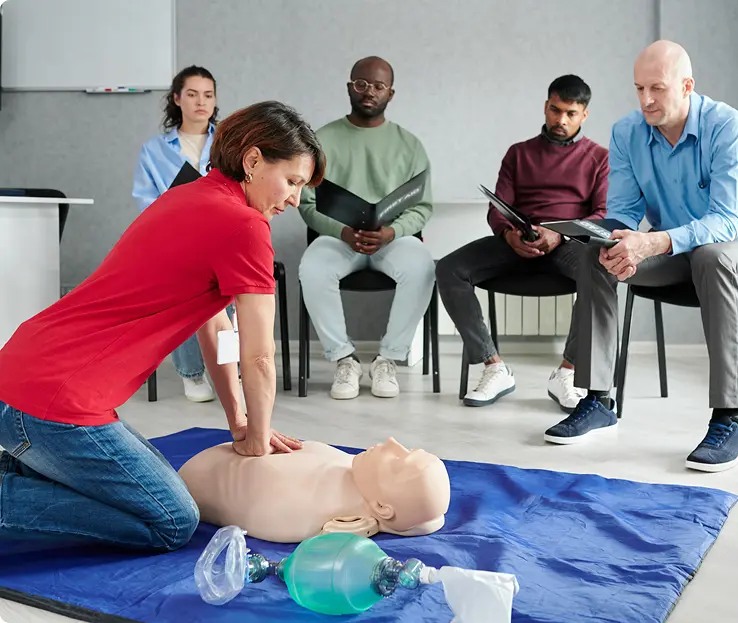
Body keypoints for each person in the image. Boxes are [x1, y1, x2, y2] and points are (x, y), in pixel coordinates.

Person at [0, 101, 326, 551]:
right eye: (292, 181)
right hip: (55, 403)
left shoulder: (186, 195)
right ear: (253, 160)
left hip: (20, 375)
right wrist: (256, 440)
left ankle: (19, 469)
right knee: (172, 520)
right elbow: (259, 356)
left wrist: (241, 422)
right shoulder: (246, 226)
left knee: (145, 494)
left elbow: (215, 328)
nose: (294, 200)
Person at [544, 41, 738, 473]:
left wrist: (651, 243)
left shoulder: (727, 125)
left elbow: (725, 220)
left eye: (657, 88)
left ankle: (730, 421)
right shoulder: (627, 132)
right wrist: (611, 238)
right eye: (639, 89)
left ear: (687, 86)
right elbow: (623, 212)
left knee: (711, 257)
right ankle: (598, 400)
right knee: (595, 254)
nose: (646, 99)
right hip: (674, 247)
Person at [436, 75, 609, 410]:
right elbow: (497, 207)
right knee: (449, 268)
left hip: (568, 243)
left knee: (601, 272)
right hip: (518, 240)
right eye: (555, 110)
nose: (561, 120)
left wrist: (560, 234)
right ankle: (493, 366)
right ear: (545, 106)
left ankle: (568, 372)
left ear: (584, 115)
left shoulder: (599, 158)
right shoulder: (518, 153)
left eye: (571, 113)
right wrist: (508, 234)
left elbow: (601, 214)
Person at [298, 56, 435, 400]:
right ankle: (344, 359)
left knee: (422, 266)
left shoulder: (410, 145)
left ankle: (388, 359)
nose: (369, 92)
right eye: (361, 84)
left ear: (391, 93)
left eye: (378, 86)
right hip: (339, 237)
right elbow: (306, 204)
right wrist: (342, 231)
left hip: (392, 239)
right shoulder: (321, 140)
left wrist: (392, 232)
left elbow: (422, 207)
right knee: (312, 267)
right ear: (350, 87)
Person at [132, 65, 221, 403]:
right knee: (181, 281)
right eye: (193, 94)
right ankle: (192, 373)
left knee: (231, 280)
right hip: (174, 241)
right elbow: (146, 203)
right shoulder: (154, 150)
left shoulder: (231, 143)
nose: (201, 102)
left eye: (208, 95)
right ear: (177, 99)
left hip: (222, 237)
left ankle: (230, 368)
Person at [179, 437, 450, 543]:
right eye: (407, 448)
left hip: (196, 481)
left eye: (396, 460)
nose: (391, 442)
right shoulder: (359, 473)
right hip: (208, 467)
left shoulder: (305, 510)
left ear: (381, 507)